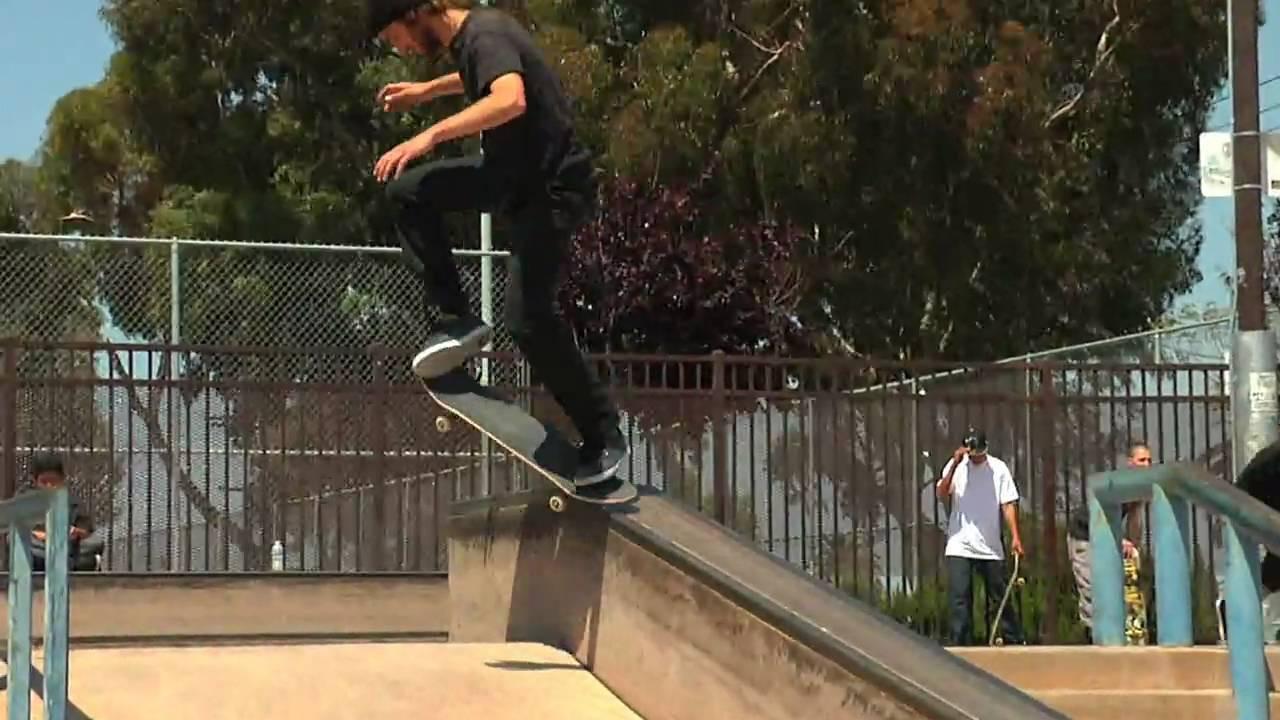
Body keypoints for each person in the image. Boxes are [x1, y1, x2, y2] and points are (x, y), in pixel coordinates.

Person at [362, 0, 627, 484]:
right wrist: (425, 92)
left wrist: (430, 135)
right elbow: (481, 80)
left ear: (415, 13)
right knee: (409, 193)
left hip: (551, 189)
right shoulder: (471, 40)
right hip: (512, 179)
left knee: (528, 320)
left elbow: (510, 99)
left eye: (394, 37)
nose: (398, 49)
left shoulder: (485, 33)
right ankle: (454, 320)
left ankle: (603, 435)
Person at [936, 428, 1025, 646]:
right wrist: (955, 463)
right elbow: (942, 493)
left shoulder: (998, 469)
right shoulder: (956, 467)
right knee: (960, 597)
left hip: (989, 545)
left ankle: (1012, 638)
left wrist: (1015, 536)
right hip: (960, 544)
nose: (976, 458)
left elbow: (1008, 504)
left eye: (980, 454)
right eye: (972, 454)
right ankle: (960, 643)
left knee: (999, 595)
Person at [1064, 442, 1151, 642]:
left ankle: (1113, 636)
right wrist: (1121, 542)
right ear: (1130, 463)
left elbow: (1135, 518)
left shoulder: (1140, 488)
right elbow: (1103, 516)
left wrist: (1134, 546)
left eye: (1148, 460)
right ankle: (1092, 638)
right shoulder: (1119, 484)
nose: (1146, 465)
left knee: (1111, 589)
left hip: (1106, 538)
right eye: (1141, 460)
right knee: (1092, 590)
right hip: (1084, 535)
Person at [25, 453, 97, 572]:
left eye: (54, 481)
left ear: (62, 480)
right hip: (39, 551)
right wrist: (45, 536)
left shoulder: (73, 503)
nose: (49, 486)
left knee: (95, 543)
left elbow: (86, 529)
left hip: (67, 549)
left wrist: (74, 532)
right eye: (44, 482)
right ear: (35, 481)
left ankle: (65, 563)